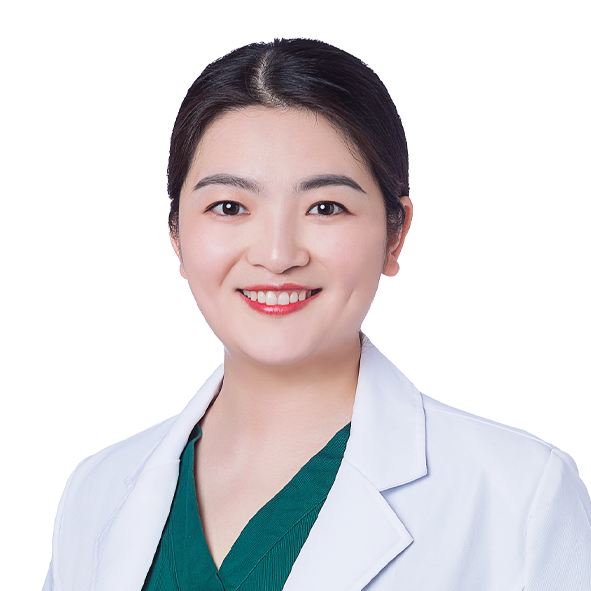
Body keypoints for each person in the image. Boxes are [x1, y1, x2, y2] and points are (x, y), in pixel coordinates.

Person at [43, 39, 591, 591]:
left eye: (325, 207)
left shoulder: (520, 496)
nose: (278, 254)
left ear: (395, 234)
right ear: (176, 236)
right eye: (229, 207)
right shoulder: (96, 493)